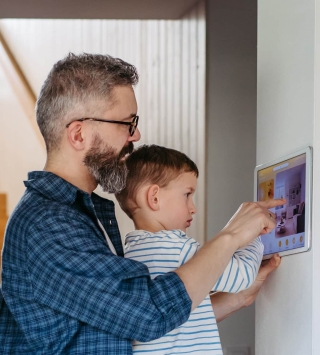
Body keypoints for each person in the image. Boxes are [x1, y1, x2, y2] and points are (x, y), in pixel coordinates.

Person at [0, 53, 283, 355]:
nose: (136, 135)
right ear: (78, 134)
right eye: (126, 122)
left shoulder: (80, 214)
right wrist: (231, 237)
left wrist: (237, 299)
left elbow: (129, 327)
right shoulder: (48, 224)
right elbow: (147, 314)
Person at [115, 144, 264, 354]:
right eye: (187, 194)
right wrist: (256, 236)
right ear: (154, 197)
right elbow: (242, 275)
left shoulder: (127, 255)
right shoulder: (178, 248)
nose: (192, 207)